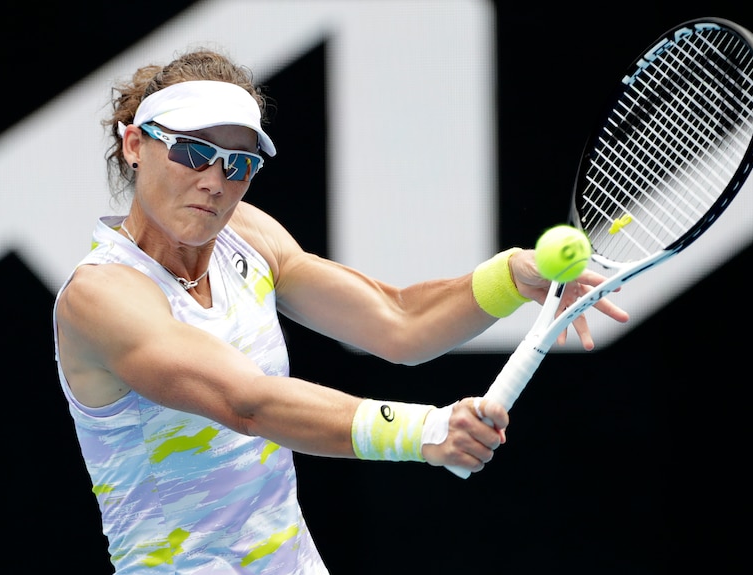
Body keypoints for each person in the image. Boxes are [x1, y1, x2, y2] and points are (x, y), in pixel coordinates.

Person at [52, 47, 630, 574]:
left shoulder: (247, 236)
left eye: (239, 163)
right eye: (195, 152)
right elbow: (247, 403)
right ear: (135, 145)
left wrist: (509, 276)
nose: (215, 182)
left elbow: (398, 322)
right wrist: (424, 431)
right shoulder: (101, 296)